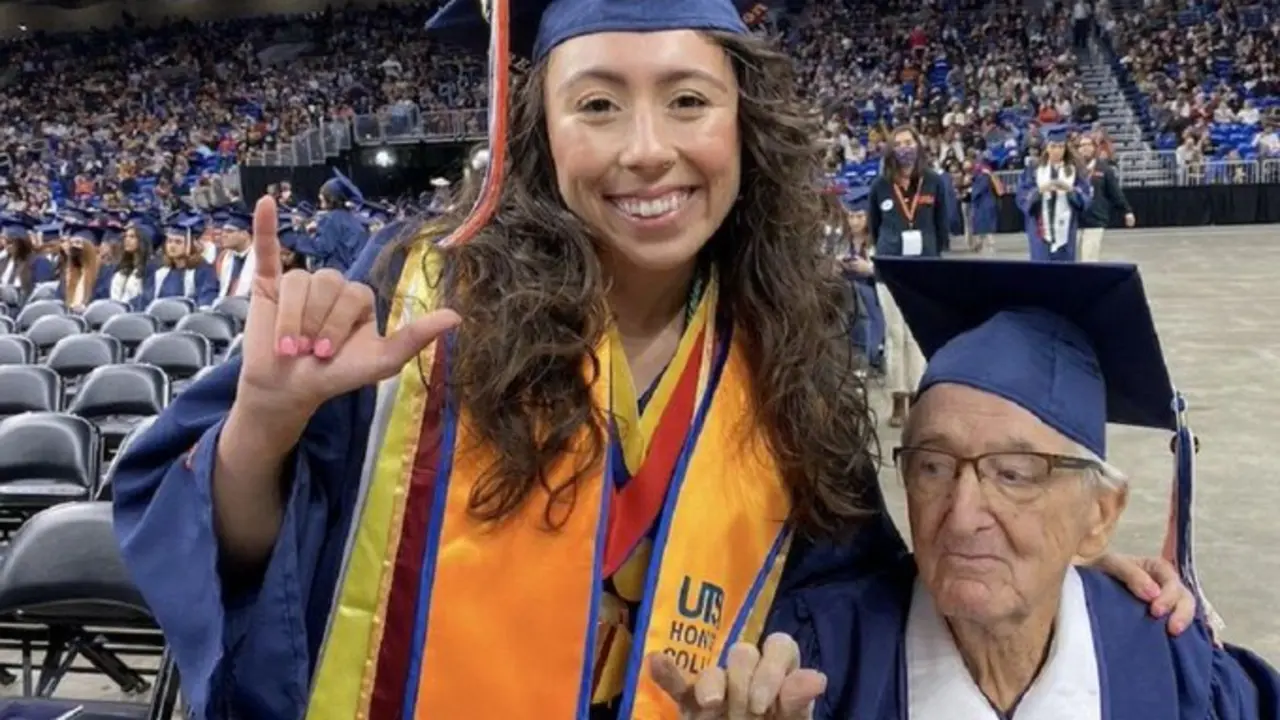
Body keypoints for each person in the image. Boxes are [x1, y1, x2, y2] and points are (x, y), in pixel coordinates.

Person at [111, 1, 1194, 718]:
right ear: (537, 128)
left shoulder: (786, 344)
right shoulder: (413, 293)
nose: (644, 148)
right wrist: (264, 421)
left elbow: (851, 592)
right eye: (595, 104)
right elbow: (245, 563)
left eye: (687, 98)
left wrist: (1041, 557)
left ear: (742, 124)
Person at [757, 258, 1280, 720]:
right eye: (933, 467)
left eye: (1014, 474)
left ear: (1099, 515)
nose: (962, 517)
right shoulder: (816, 665)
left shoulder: (1174, 671)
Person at [866, 125, 948, 427]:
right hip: (891, 267)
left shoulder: (934, 182)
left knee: (917, 334)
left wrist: (936, 260)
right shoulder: (880, 186)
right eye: (898, 143)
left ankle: (919, 397)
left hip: (924, 267)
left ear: (918, 145)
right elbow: (874, 226)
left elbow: (942, 224)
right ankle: (898, 399)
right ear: (891, 150)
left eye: (908, 142)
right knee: (895, 334)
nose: (904, 148)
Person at [1016, 126, 1092, 263]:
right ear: (1047, 148)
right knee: (1041, 269)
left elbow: (1085, 198)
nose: (1057, 150)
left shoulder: (1075, 171)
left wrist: (1070, 190)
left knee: (1064, 270)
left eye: (1061, 147)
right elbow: (1022, 196)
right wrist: (1039, 191)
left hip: (1066, 230)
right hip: (1039, 230)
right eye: (1053, 146)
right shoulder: (1034, 170)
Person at [835, 187, 883, 371]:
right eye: (850, 216)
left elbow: (889, 273)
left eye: (860, 216)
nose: (854, 222)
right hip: (844, 291)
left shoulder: (879, 240)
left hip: (873, 292)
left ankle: (870, 352)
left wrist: (869, 269)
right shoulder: (838, 239)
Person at [1077, 133, 1135, 263]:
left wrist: (1127, 211)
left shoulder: (1104, 169)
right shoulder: (1072, 168)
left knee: (1089, 259)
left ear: (1094, 148)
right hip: (1075, 220)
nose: (1084, 148)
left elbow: (1115, 192)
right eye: (1081, 145)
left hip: (1095, 220)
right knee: (1072, 260)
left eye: (1088, 145)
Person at [300, 169, 368, 273]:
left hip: (338, 272)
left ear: (330, 198)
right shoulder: (351, 216)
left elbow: (321, 248)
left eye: (322, 193)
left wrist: (299, 237)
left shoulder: (332, 218)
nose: (319, 195)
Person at [143, 216, 220, 308]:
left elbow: (206, 299)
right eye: (169, 241)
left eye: (178, 242)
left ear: (190, 245)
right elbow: (146, 300)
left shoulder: (203, 271)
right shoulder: (160, 272)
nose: (172, 246)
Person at [55, 224, 110, 310]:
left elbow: (103, 299)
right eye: (72, 243)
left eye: (78, 243)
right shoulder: (68, 272)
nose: (74, 247)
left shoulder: (104, 272)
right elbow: (58, 298)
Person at [0, 214, 55, 301]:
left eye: (10, 242)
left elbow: (42, 296)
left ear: (21, 243)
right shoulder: (3, 261)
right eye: (5, 242)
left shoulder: (39, 263)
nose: (6, 247)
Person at [213, 211, 255, 299]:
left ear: (245, 234)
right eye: (223, 232)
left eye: (229, 231)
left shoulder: (260, 259)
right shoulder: (223, 257)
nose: (223, 235)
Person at [967, 155, 1003, 254]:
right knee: (982, 226)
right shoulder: (983, 174)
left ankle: (989, 245)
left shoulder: (983, 176)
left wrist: (971, 192)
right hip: (984, 203)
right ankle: (980, 244)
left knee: (985, 226)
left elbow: (979, 189)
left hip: (984, 204)